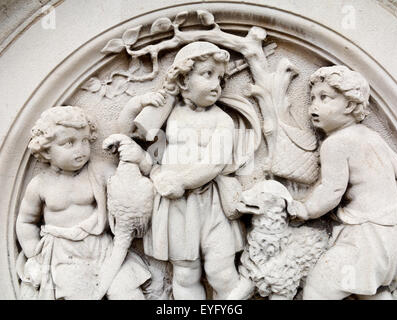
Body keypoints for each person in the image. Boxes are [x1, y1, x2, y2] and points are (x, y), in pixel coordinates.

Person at [119, 41, 261, 299]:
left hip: (210, 206)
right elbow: (130, 133)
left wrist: (181, 181)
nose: (216, 83)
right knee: (185, 275)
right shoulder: (168, 113)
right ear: (183, 80)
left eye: (220, 77)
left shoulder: (222, 119)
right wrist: (137, 104)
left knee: (221, 271)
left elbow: (215, 162)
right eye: (207, 74)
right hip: (176, 209)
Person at [287, 66, 397, 300]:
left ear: (349, 105)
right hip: (392, 233)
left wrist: (305, 209)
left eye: (324, 98)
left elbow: (332, 190)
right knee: (372, 291)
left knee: (318, 290)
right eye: (312, 99)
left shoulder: (336, 143)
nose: (313, 107)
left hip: (366, 233)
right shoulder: (373, 136)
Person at [16, 106, 150, 300]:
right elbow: (26, 221)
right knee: (76, 293)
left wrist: (136, 157)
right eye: (69, 143)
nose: (80, 149)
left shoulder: (99, 171)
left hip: (102, 248)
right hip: (64, 254)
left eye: (85, 141)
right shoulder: (40, 185)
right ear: (45, 151)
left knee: (128, 292)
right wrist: (34, 256)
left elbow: (128, 184)